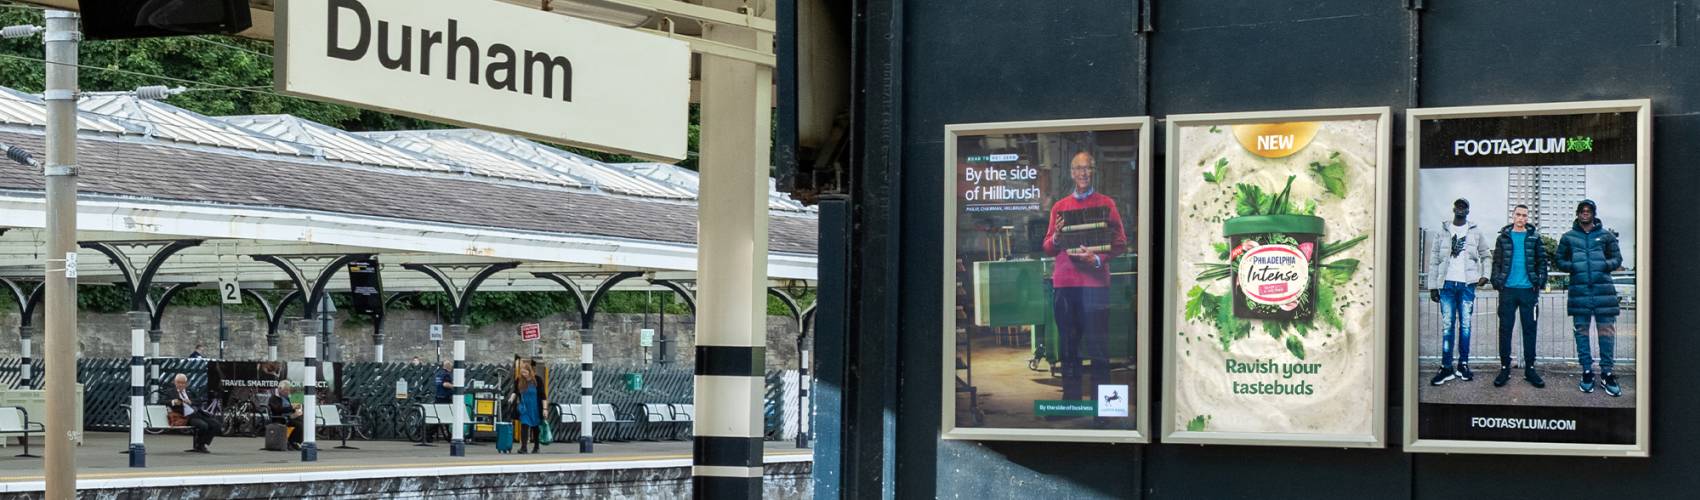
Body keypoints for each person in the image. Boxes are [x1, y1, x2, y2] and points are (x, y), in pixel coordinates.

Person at [1040, 150, 1127, 402]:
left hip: (1095, 286)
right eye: (1078, 168)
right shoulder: (1060, 207)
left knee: (1098, 349)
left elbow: (1120, 242)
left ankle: (1103, 409)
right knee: (1069, 347)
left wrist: (1098, 259)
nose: (1083, 173)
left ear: (1093, 171)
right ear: (1071, 173)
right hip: (1065, 287)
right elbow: (1047, 246)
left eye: (1087, 168)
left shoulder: (1106, 204)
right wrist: (1056, 237)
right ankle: (1071, 403)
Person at [1554, 199, 1624, 397]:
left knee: (1607, 335)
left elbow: (1617, 259)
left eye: (1589, 210)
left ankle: (1607, 373)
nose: (1585, 213)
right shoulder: (1568, 237)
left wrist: (1603, 264)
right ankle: (1586, 372)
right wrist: (1573, 266)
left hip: (1604, 293)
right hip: (1579, 293)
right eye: (1582, 210)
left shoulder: (1606, 236)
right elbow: (1559, 260)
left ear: (1593, 213)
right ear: (1577, 214)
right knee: (1582, 335)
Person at [1427, 198, 1492, 386]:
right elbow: (1433, 261)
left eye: (1464, 207)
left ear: (1468, 211)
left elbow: (1486, 255)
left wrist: (1485, 275)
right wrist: (1433, 286)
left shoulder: (1476, 232)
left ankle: (1463, 364)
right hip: (1446, 285)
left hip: (1467, 286)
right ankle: (1446, 367)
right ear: (1454, 208)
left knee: (1465, 326)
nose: (1461, 209)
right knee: (1447, 326)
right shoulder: (1442, 233)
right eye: (1459, 206)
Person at [1490, 205, 1548, 388]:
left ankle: (1530, 369)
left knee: (1530, 331)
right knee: (1505, 331)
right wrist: (1497, 281)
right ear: (1513, 216)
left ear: (1527, 218)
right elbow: (1497, 262)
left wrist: (1539, 282)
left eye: (1524, 215)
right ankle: (1505, 368)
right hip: (1507, 291)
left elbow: (1542, 262)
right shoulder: (1503, 238)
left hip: (1528, 292)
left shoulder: (1534, 238)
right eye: (1518, 215)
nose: (1521, 218)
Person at [162, 373, 222, 453]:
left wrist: (191, 402)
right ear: (174, 382)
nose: (180, 385)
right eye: (178, 382)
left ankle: (202, 443)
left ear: (186, 384)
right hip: (185, 416)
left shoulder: (190, 391)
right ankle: (200, 446)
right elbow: (162, 401)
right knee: (203, 425)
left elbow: (199, 401)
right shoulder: (170, 392)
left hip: (197, 413)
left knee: (216, 425)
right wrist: (173, 402)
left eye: (183, 383)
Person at [507, 361, 549, 454]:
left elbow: (543, 396)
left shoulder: (537, 380)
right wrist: (511, 398)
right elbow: (515, 391)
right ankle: (524, 447)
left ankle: (536, 447)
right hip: (524, 408)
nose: (523, 374)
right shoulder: (519, 380)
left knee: (535, 427)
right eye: (522, 372)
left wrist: (545, 409)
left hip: (535, 408)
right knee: (524, 426)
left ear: (530, 371)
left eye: (525, 372)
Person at [268, 380, 305, 450]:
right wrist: (291, 409)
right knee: (299, 425)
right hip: (280, 418)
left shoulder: (286, 397)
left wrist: (296, 411)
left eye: (289, 390)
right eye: (286, 390)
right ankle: (292, 442)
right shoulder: (273, 398)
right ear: (280, 389)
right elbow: (277, 410)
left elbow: (290, 408)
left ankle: (297, 442)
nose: (288, 392)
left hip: (289, 417)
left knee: (303, 421)